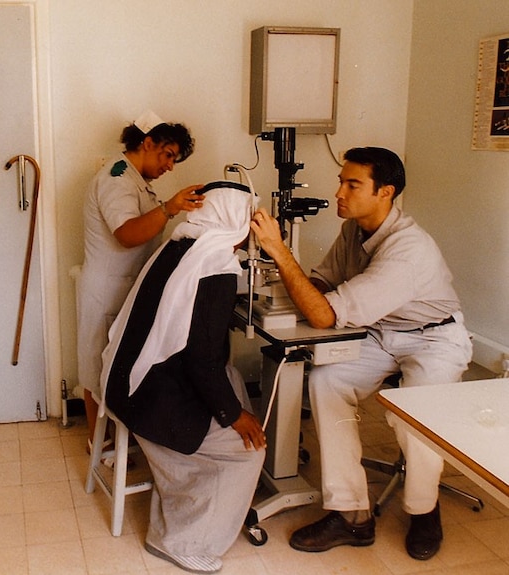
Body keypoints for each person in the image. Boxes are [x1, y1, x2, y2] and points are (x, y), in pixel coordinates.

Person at [249, 147, 472, 561]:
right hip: (383, 332)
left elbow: (323, 314)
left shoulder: (408, 251)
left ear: (385, 192)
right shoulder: (355, 229)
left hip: (434, 339)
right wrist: (273, 283)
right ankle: (351, 515)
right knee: (327, 380)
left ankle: (424, 510)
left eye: (352, 185)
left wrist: (280, 252)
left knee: (414, 414)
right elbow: (321, 282)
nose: (339, 192)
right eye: (341, 182)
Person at [99, 184, 267, 574]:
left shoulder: (180, 244)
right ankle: (179, 541)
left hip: (128, 381)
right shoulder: (216, 267)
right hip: (151, 399)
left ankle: (207, 498)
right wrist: (233, 417)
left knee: (233, 379)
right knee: (248, 450)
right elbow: (201, 362)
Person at [77, 110, 203, 447]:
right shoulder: (115, 178)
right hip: (106, 291)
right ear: (147, 143)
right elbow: (128, 234)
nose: (170, 166)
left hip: (126, 290)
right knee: (96, 368)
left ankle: (115, 436)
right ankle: (97, 442)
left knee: (117, 365)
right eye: (167, 155)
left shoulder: (136, 182)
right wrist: (170, 208)